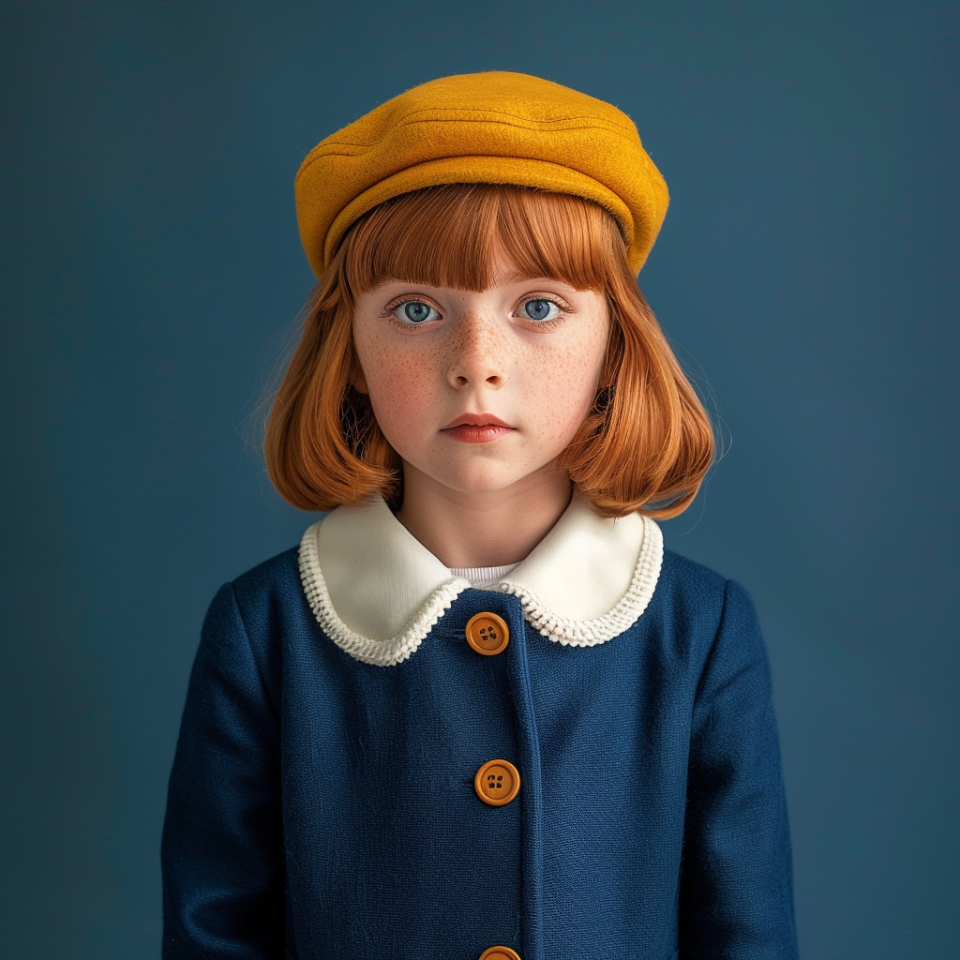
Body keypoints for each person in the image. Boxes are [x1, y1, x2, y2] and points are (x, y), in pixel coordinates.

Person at [161, 71, 798, 960]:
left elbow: (747, 937)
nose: (477, 363)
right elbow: (215, 934)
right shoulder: (263, 632)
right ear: (348, 350)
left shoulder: (700, 631)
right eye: (417, 310)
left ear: (614, 345)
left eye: (538, 307)